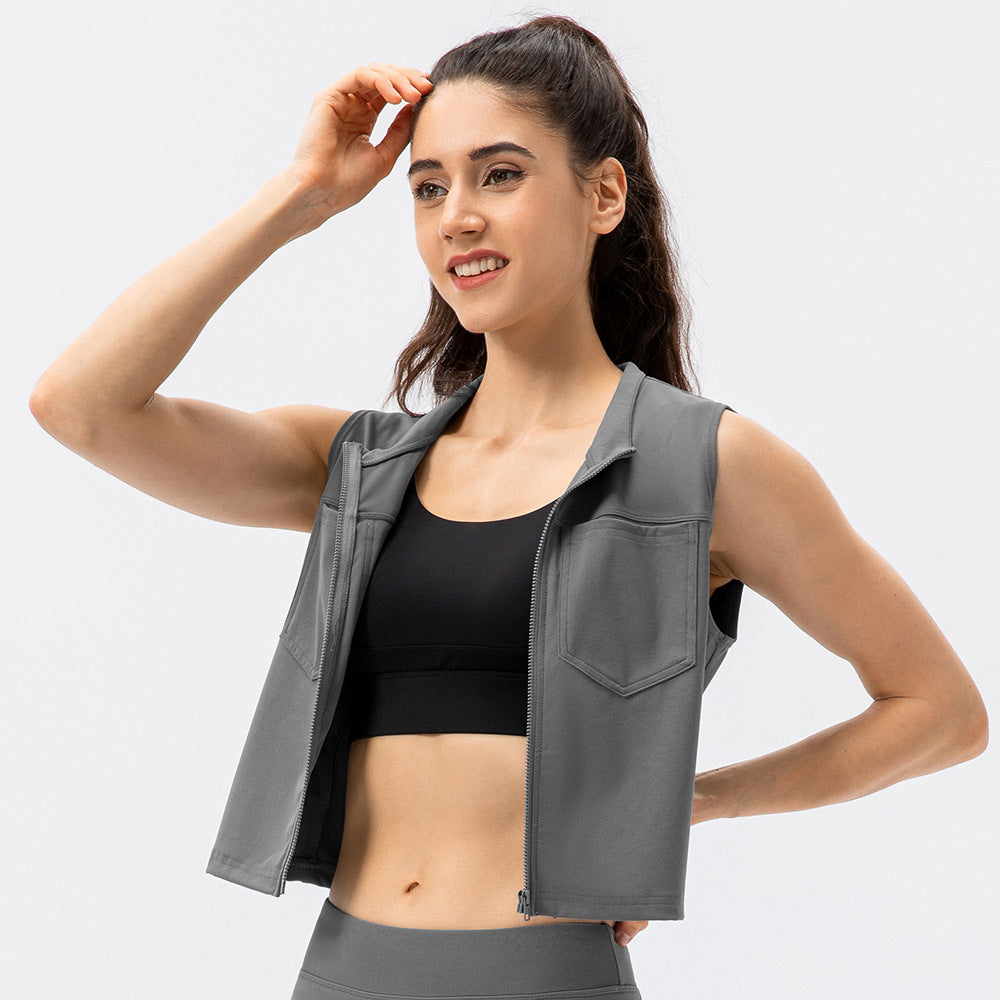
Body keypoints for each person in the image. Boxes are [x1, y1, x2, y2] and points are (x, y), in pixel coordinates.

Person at [29, 14, 988, 1000]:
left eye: (499, 175)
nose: (457, 218)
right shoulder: (358, 465)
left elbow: (939, 711)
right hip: (344, 972)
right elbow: (82, 407)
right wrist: (301, 194)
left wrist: (694, 800)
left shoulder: (705, 463)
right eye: (428, 186)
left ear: (602, 195)